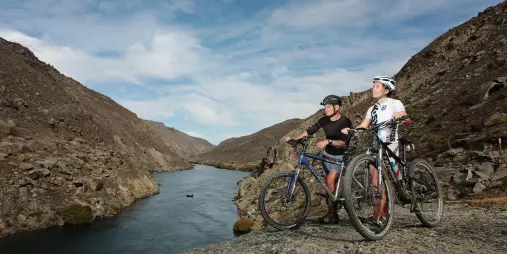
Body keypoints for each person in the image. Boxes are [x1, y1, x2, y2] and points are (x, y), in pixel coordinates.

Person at [341, 75, 408, 228]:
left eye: (377, 86)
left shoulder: (394, 103)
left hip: (391, 142)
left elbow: (404, 116)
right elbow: (364, 124)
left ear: (386, 89)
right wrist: (352, 129)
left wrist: (400, 116)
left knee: (396, 172)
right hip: (376, 144)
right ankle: (379, 216)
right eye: (373, 85)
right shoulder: (372, 109)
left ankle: (403, 187)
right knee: (376, 180)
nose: (373, 88)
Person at [284, 94, 353, 223]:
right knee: (328, 184)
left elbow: (344, 143)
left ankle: (334, 212)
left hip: (339, 156)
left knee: (331, 181)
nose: (325, 109)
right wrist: (296, 139)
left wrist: (328, 141)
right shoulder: (323, 120)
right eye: (325, 107)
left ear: (336, 107)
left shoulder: (345, 121)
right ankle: (332, 212)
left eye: (328, 107)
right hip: (327, 156)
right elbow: (310, 130)